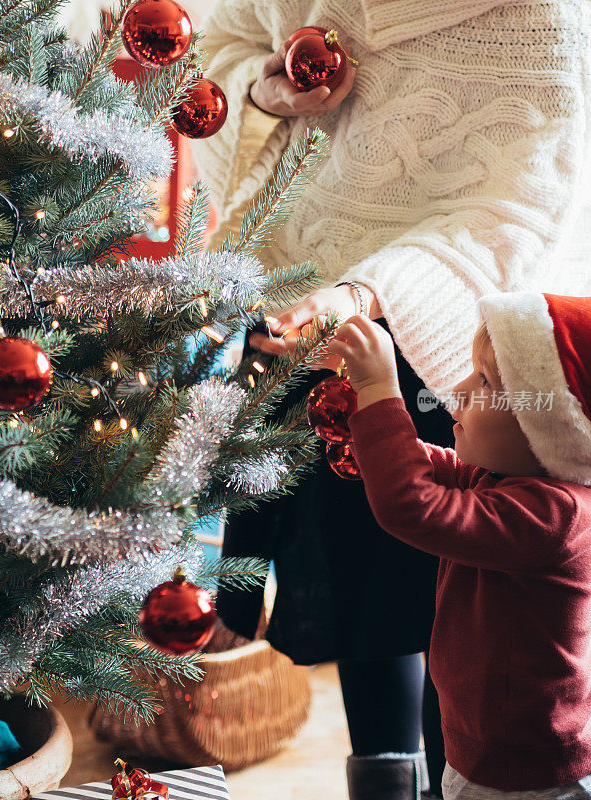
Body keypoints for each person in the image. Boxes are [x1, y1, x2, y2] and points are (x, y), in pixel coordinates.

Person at [189, 1, 591, 797]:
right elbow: (224, 43)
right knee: (356, 589)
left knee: (455, 604)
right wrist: (267, 96)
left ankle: (448, 773)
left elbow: (515, 207)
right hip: (295, 299)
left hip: (459, 328)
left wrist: (369, 311)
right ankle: (387, 776)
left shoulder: (536, 18)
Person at [330, 290, 591, 800]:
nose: (460, 389)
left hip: (532, 770)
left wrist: (379, 386)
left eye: (486, 382)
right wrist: (361, 428)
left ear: (551, 425)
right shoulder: (506, 479)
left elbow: (415, 505)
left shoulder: (558, 515)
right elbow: (427, 466)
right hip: (486, 749)